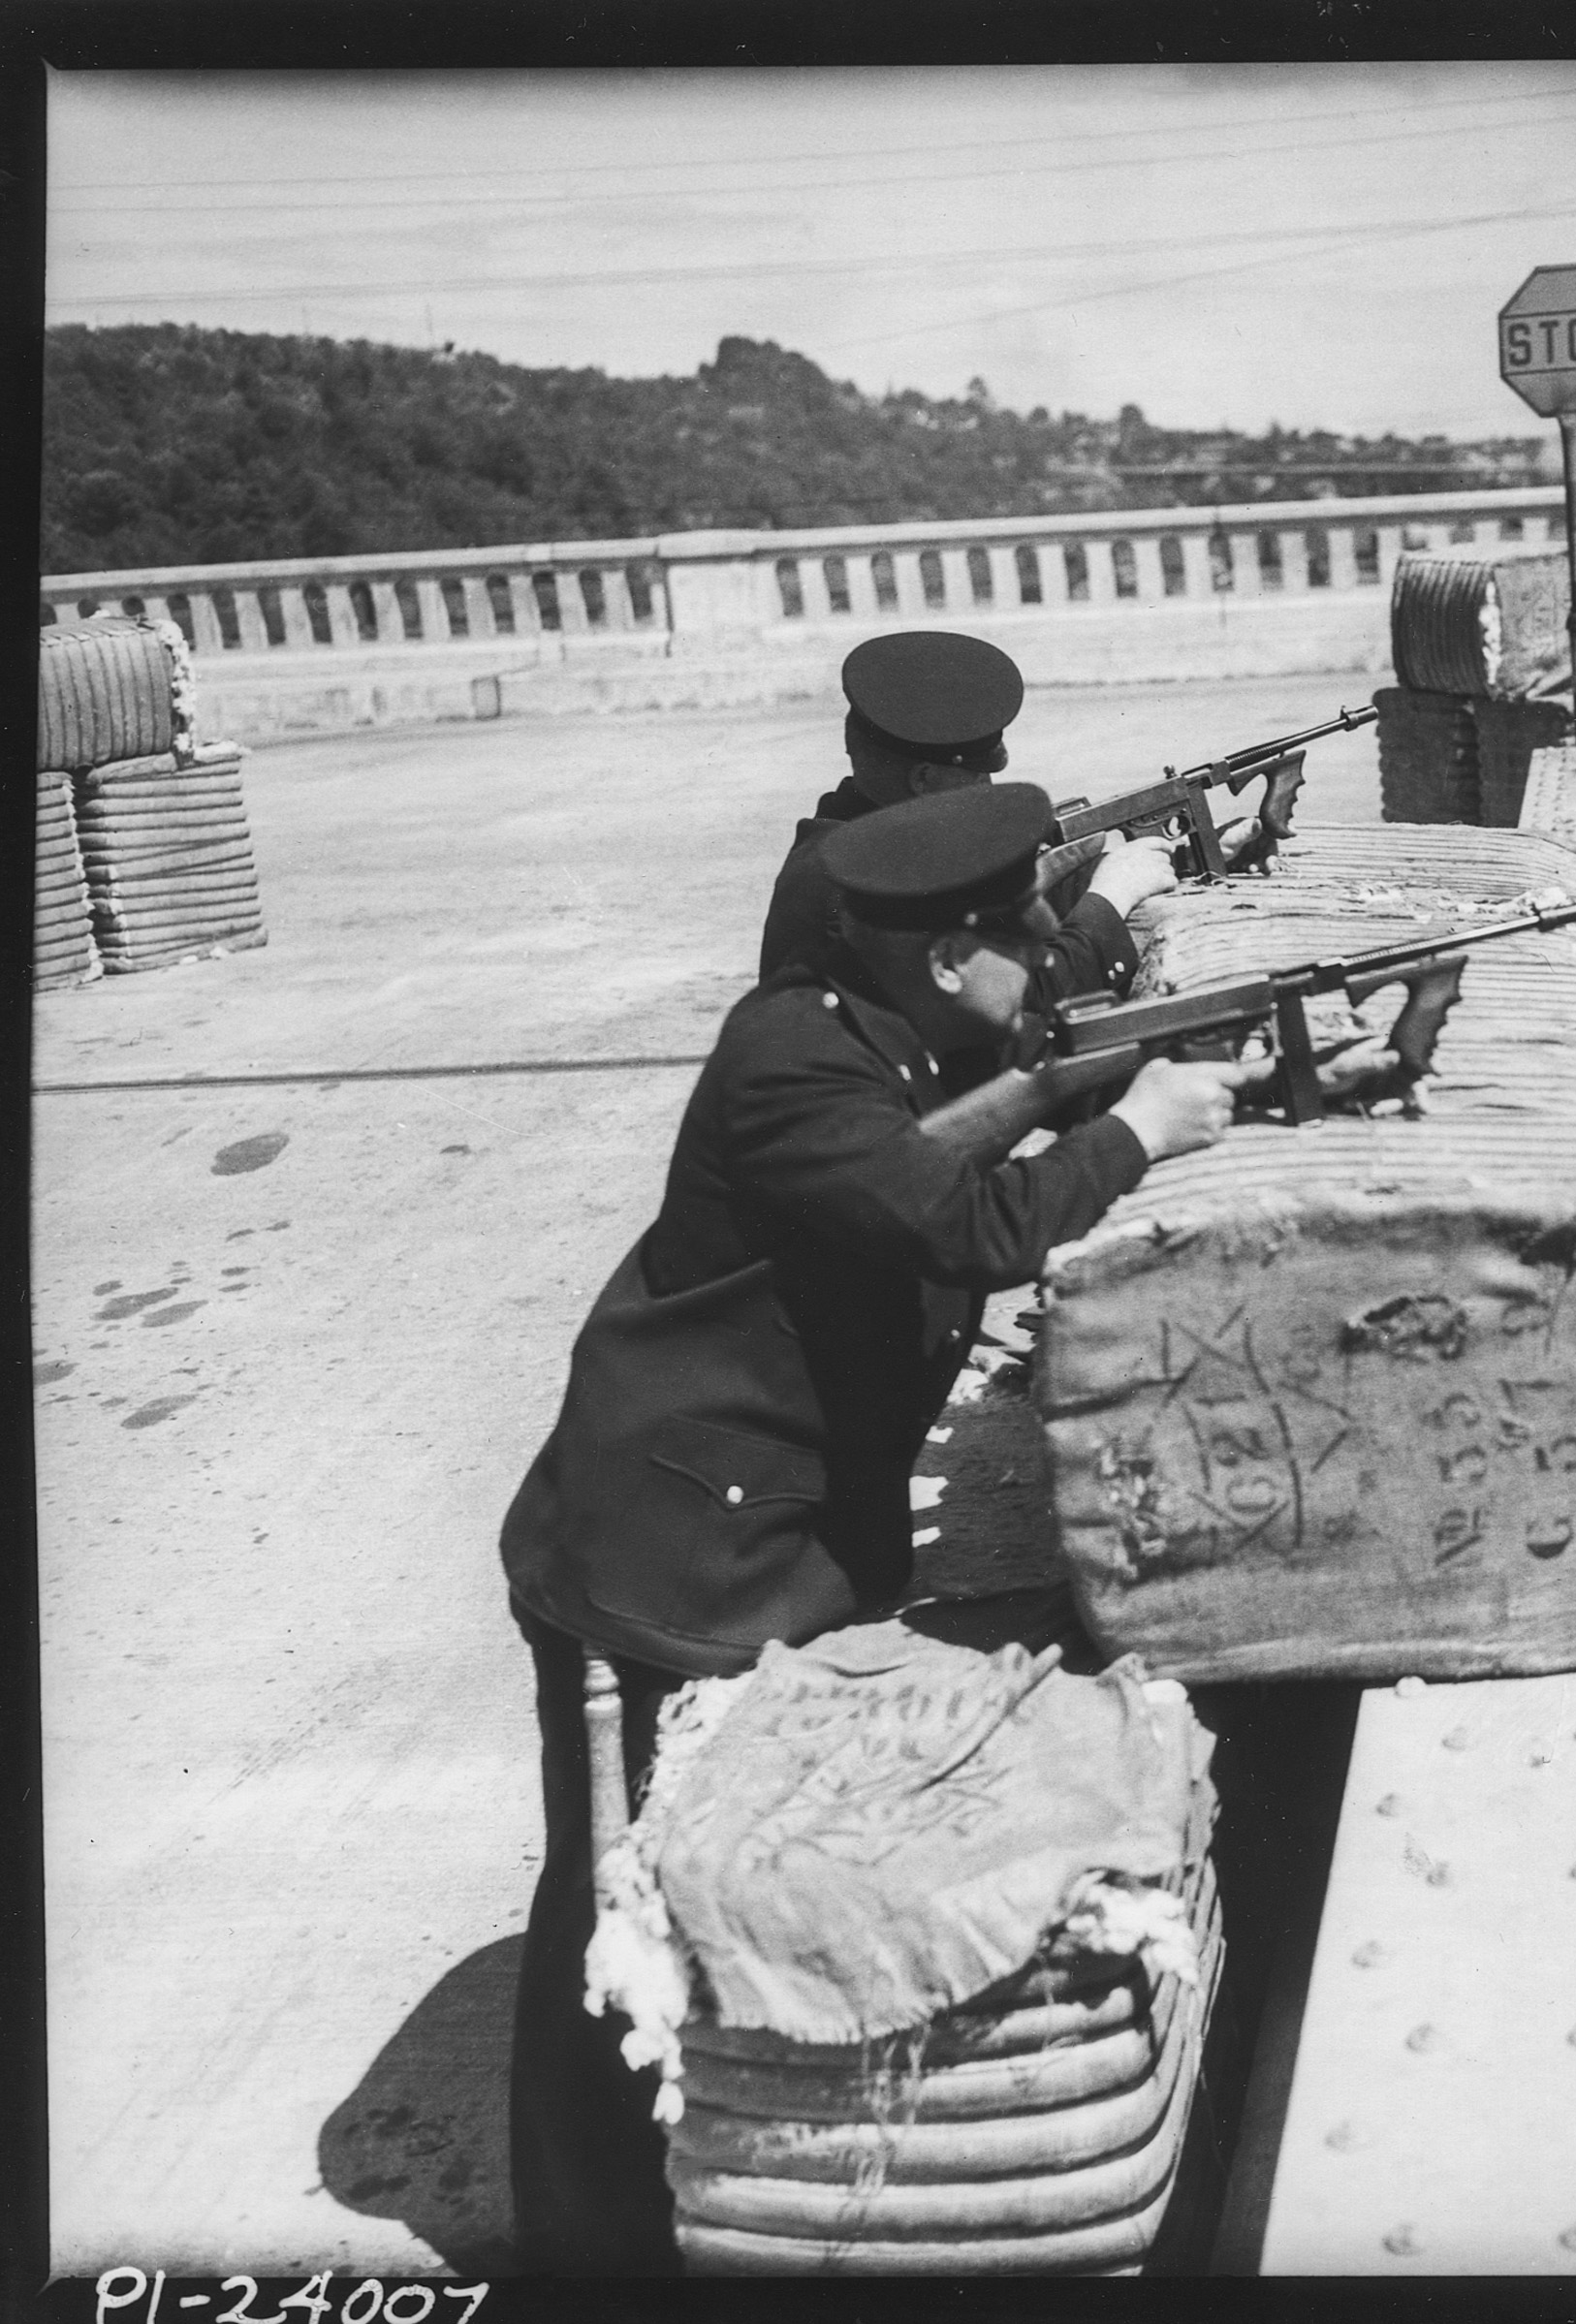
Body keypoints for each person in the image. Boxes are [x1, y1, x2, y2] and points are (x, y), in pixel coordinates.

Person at [500, 781, 1262, 2272]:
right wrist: (1142, 1127)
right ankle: (582, 2238)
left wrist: (1133, 1082)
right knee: (625, 1904)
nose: (1050, 949)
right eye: (1022, 930)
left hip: (770, 1523)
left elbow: (966, 1132)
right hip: (676, 1547)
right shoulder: (790, 1060)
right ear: (938, 961)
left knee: (727, 1877)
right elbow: (956, 1220)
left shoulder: (890, 1031)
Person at [758, 628, 1180, 993]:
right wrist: (1110, 898)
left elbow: (1008, 892)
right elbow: (1026, 994)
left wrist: (1173, 858)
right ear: (922, 781)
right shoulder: (860, 886)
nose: (987, 792)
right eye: (978, 779)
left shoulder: (865, 835)